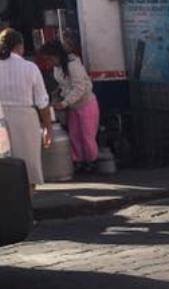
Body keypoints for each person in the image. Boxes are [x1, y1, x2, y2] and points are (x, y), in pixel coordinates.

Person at [0, 28, 52, 192]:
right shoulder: (30, 68)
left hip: (1, 120)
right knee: (28, 169)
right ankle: (26, 211)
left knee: (4, 168)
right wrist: (48, 128)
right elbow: (42, 102)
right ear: (20, 46)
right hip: (26, 121)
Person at [38, 40, 100, 173]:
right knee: (75, 135)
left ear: (56, 55)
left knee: (87, 135)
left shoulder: (73, 65)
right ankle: (79, 161)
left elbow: (80, 87)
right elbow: (63, 85)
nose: (49, 63)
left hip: (86, 104)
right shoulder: (58, 68)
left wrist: (65, 102)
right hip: (73, 106)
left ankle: (91, 161)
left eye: (49, 59)